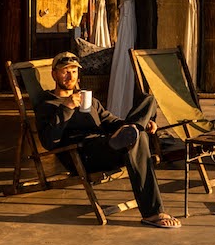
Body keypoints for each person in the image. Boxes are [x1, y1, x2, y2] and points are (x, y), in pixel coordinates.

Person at [36, 52, 181, 228]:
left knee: (147, 101)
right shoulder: (47, 105)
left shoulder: (90, 101)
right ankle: (153, 212)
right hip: (84, 155)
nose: (70, 76)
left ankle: (134, 129)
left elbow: (112, 122)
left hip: (108, 146)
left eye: (74, 71)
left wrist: (143, 124)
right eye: (65, 71)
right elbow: (49, 141)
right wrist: (67, 107)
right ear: (54, 74)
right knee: (136, 139)